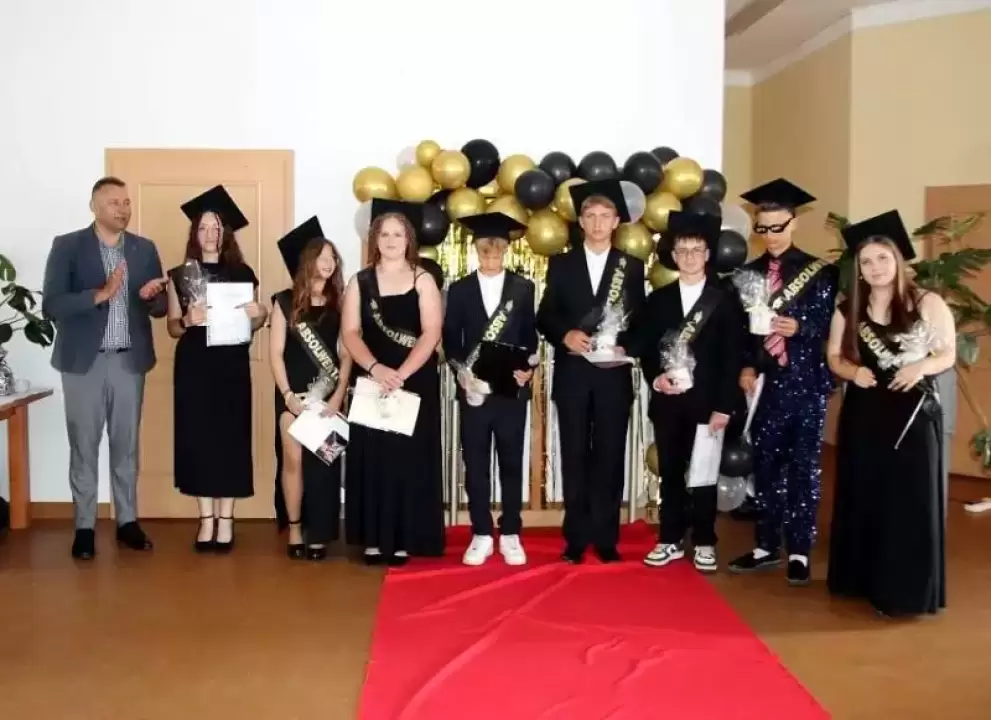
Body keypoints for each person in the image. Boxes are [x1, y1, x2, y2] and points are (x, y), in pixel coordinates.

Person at [825, 210, 953, 617]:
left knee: (907, 500)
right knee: (865, 493)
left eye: (882, 258)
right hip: (865, 413)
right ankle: (860, 581)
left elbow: (947, 354)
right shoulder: (848, 308)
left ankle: (904, 592)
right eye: (866, 262)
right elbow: (834, 357)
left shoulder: (927, 302)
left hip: (912, 414)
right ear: (859, 269)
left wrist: (921, 366)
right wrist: (853, 372)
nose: (875, 267)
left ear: (898, 260)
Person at [41, 176, 169, 560]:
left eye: (126, 202)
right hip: (84, 363)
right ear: (94, 206)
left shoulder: (144, 249)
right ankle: (84, 526)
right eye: (114, 202)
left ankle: (127, 521)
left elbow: (160, 309)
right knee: (84, 446)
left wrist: (152, 298)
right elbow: (52, 305)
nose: (123, 209)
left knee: (126, 446)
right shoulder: (68, 246)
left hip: (129, 361)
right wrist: (100, 294)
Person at [727, 178, 839, 585]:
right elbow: (743, 333)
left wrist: (802, 327)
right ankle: (765, 545)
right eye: (763, 228)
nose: (771, 235)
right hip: (765, 386)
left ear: (794, 223)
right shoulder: (746, 275)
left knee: (804, 468)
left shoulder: (822, 273)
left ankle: (800, 551)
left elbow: (834, 328)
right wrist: (746, 367)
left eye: (778, 227)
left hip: (806, 382)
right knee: (765, 467)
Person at [536, 179, 646, 563]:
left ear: (616, 222)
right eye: (591, 216)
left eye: (605, 216)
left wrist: (626, 348)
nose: (598, 223)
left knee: (610, 456)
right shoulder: (561, 264)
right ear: (581, 222)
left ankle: (606, 538)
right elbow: (545, 315)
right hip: (573, 375)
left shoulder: (631, 267)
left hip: (613, 375)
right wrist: (564, 334)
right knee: (574, 456)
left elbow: (642, 323)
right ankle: (576, 538)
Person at [635, 211, 743, 572]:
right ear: (673, 255)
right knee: (670, 472)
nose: (690, 256)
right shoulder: (658, 300)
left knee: (704, 475)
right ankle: (669, 538)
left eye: (696, 250)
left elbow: (733, 356)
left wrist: (724, 406)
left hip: (709, 403)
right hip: (668, 401)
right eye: (682, 250)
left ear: (708, 254)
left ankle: (705, 541)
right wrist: (656, 378)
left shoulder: (724, 299)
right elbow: (647, 348)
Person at [342, 199, 445, 566]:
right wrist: (375, 369)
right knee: (374, 457)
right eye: (384, 234)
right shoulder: (359, 281)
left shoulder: (423, 279)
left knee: (407, 459)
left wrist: (402, 374)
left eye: (397, 234)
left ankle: (404, 537)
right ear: (374, 239)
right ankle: (374, 538)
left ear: (409, 239)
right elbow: (350, 332)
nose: (390, 240)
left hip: (414, 380)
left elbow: (431, 332)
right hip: (373, 379)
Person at [167, 186, 266, 553]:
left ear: (226, 233)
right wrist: (187, 320)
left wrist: (261, 314)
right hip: (195, 366)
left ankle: (227, 519)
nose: (210, 234)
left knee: (230, 440)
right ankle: (205, 518)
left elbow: (255, 322)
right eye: (203, 227)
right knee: (198, 440)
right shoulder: (182, 275)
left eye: (217, 227)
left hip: (231, 366)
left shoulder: (242, 273)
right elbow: (172, 327)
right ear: (194, 233)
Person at [442, 212, 537, 566]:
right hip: (474, 391)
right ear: (476, 249)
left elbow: (529, 338)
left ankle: (511, 531)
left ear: (506, 249)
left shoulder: (523, 288)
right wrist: (461, 373)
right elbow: (451, 341)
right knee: (477, 462)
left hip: (511, 390)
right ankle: (481, 531)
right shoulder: (461, 289)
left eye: (497, 249)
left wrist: (529, 368)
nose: (491, 255)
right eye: (485, 249)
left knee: (511, 462)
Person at [270, 217, 352, 561]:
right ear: (308, 261)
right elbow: (275, 353)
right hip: (293, 399)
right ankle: (295, 527)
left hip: (329, 399)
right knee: (294, 462)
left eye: (332, 257)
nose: (328, 262)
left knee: (325, 463)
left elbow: (346, 353)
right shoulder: (284, 302)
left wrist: (338, 396)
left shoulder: (341, 303)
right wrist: (287, 396)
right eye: (322, 256)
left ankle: (320, 531)